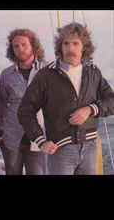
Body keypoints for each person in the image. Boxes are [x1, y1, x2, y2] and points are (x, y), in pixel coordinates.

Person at [18, 22, 114, 175]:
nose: (70, 48)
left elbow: (111, 100)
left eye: (75, 43)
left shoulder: (93, 72)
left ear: (84, 46)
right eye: (66, 43)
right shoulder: (46, 75)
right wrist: (41, 141)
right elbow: (25, 111)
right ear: (60, 47)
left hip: (90, 148)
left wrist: (90, 109)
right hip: (60, 151)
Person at [0, 29, 46, 175]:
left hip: (39, 138)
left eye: (24, 45)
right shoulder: (6, 74)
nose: (20, 49)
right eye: (16, 46)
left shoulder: (47, 70)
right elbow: (2, 105)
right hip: (11, 137)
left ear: (33, 46)